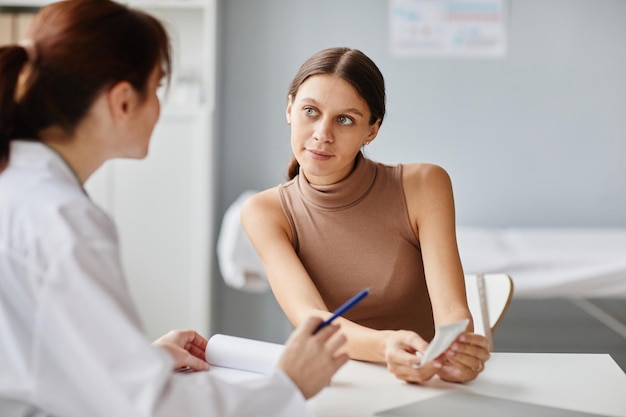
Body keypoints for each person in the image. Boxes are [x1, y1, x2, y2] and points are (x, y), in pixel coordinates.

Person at [0, 2, 348, 416]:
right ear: (124, 101)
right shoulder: (63, 219)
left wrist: (142, 360)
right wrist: (288, 385)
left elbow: (35, 353)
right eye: (158, 86)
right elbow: (151, 408)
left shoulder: (21, 186)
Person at [241, 46, 491, 385]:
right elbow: (311, 319)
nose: (322, 134)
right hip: (332, 385)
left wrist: (454, 349)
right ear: (289, 109)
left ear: (372, 130)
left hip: (422, 381)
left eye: (345, 120)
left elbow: (452, 311)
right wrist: (386, 345)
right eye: (310, 111)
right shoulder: (265, 211)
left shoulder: (424, 185)